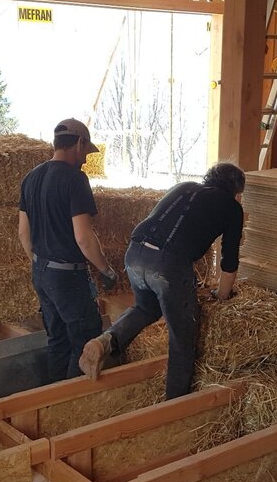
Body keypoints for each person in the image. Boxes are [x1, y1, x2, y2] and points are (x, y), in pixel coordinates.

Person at [79, 162, 246, 399]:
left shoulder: (184, 186)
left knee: (145, 308)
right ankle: (173, 403)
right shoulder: (232, 207)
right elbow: (229, 264)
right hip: (168, 264)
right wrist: (221, 297)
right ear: (236, 191)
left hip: (135, 252)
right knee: (182, 337)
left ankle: (106, 340)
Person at [18, 119, 118, 382]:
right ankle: (74, 398)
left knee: (57, 339)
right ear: (79, 143)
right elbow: (84, 238)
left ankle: (53, 394)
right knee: (85, 340)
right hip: (67, 277)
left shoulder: (31, 178)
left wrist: (42, 266)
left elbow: (23, 233)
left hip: (41, 272)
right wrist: (106, 270)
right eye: (86, 152)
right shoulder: (75, 179)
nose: (85, 160)